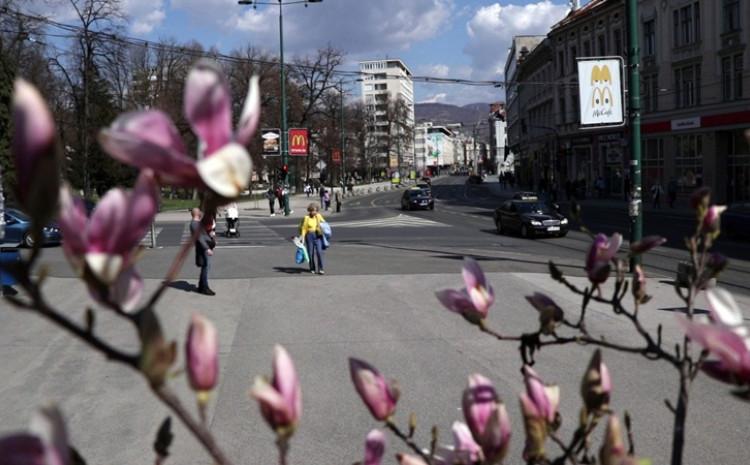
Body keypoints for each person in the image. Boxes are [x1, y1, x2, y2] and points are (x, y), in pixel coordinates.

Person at [189, 208, 215, 296]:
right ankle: (205, 288)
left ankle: (201, 287)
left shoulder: (197, 223)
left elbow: (203, 234)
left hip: (205, 247)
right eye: (200, 211)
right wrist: (207, 248)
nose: (201, 213)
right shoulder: (194, 224)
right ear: (197, 213)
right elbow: (199, 237)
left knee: (206, 266)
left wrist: (210, 235)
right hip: (203, 248)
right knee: (206, 267)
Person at [299, 203, 326, 275]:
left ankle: (321, 269)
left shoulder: (318, 216)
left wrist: (322, 226)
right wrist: (303, 238)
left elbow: (324, 224)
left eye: (315, 211)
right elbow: (304, 228)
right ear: (309, 211)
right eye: (312, 211)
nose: (314, 212)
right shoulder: (306, 218)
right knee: (310, 253)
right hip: (309, 236)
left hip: (318, 235)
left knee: (319, 252)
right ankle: (312, 267)